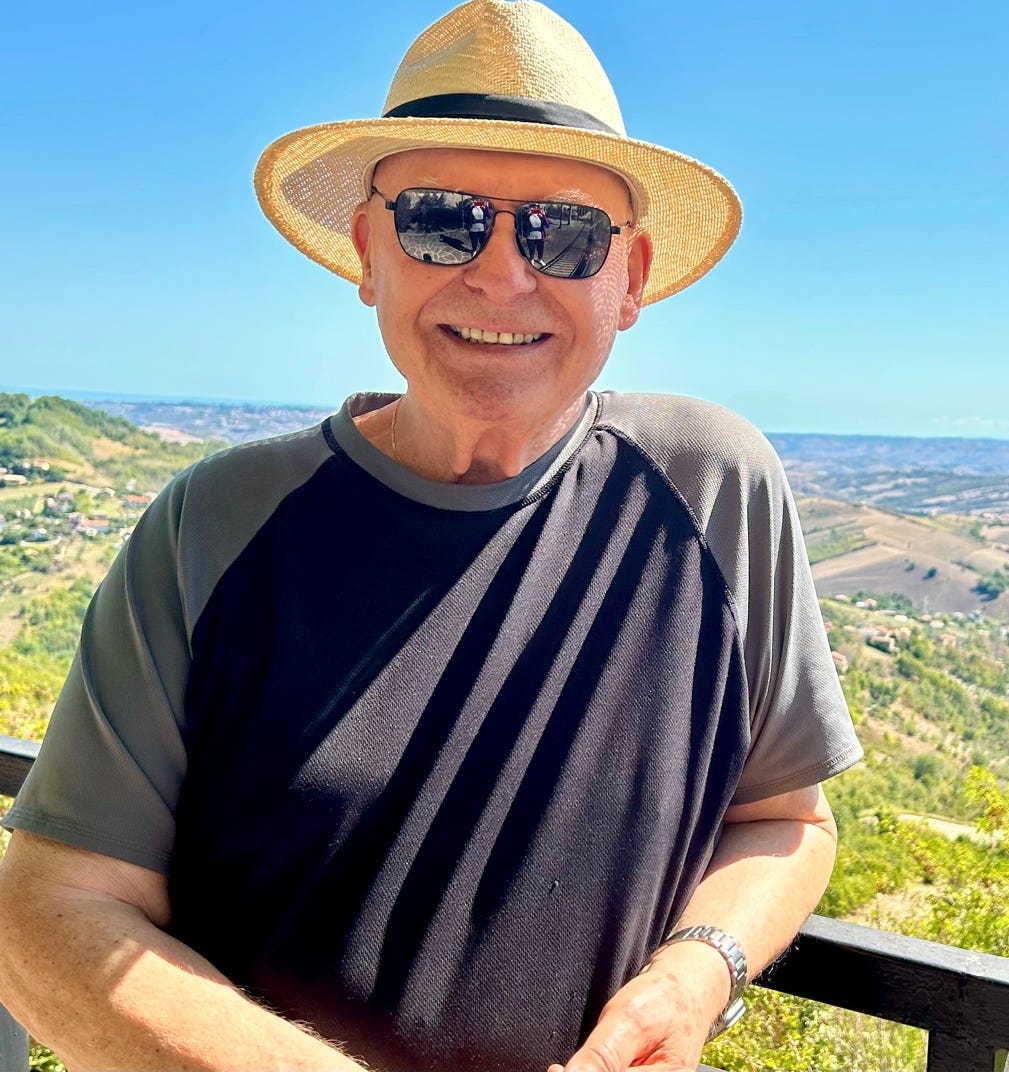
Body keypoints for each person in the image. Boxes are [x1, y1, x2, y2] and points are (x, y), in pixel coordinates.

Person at [0, 2, 862, 1070]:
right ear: (369, 251)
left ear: (630, 277)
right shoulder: (214, 525)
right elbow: (44, 912)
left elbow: (787, 821)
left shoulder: (713, 491)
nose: (501, 275)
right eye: (442, 221)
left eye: (564, 232)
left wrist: (695, 976)